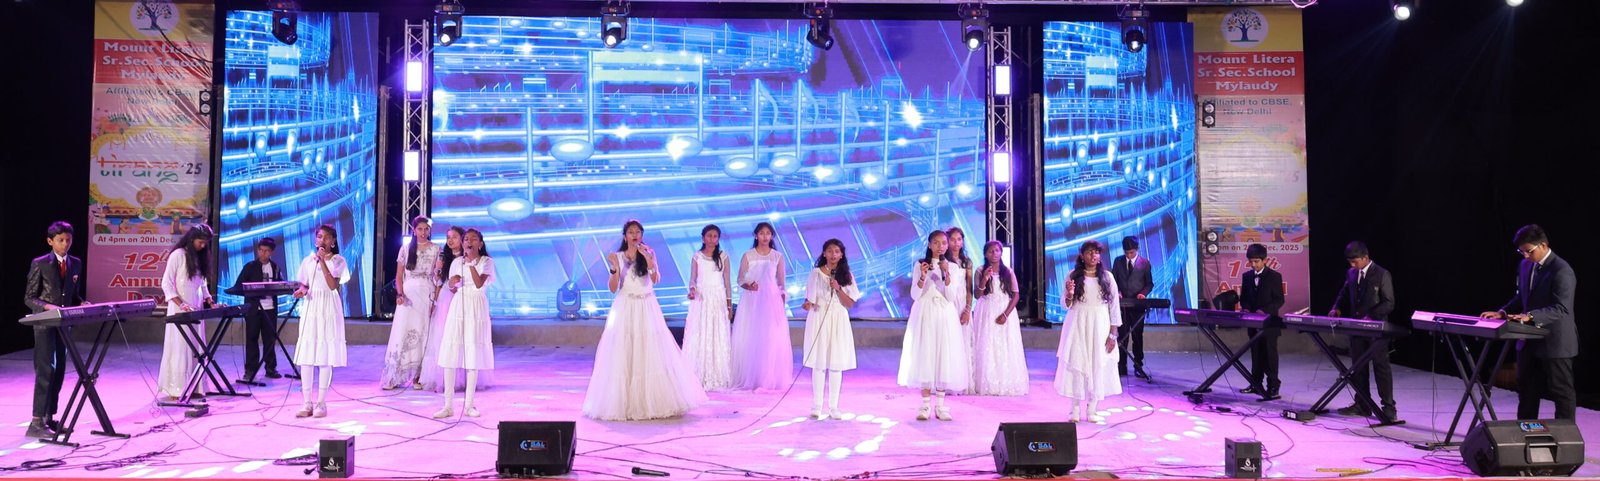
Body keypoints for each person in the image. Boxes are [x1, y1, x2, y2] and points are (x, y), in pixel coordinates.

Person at [582, 220, 706, 420]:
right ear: (625, 236)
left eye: (638, 232)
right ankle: (625, 403)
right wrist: (614, 268)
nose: (635, 235)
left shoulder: (648, 253)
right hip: (626, 306)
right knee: (625, 350)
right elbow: (613, 288)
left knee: (650, 349)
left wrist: (649, 260)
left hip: (647, 306)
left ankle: (653, 401)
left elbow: (656, 279)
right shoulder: (618, 256)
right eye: (631, 232)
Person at [1480, 224, 1577, 420]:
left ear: (1543, 245)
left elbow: (1561, 308)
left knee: (1561, 391)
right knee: (1526, 390)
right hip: (1528, 340)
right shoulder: (1525, 265)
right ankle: (1526, 431)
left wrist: (1530, 316)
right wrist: (1502, 313)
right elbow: (1522, 297)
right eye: (1521, 252)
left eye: (1529, 251)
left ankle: (1566, 435)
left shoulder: (1561, 270)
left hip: (1555, 341)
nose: (1525, 256)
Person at [22, 221, 85, 439]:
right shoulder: (40, 263)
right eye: (60, 240)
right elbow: (29, 297)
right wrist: (48, 306)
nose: (65, 244)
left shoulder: (75, 263)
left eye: (68, 240)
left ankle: (49, 417)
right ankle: (36, 421)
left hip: (63, 325)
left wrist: (81, 302)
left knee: (59, 371)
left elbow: (73, 294)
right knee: (45, 371)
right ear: (50, 241)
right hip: (45, 324)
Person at [898, 230, 970, 421]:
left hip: (944, 314)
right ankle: (924, 405)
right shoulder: (920, 265)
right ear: (929, 244)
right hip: (925, 312)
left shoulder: (953, 267)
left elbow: (951, 296)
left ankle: (940, 405)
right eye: (936, 243)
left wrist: (946, 273)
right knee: (926, 354)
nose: (941, 246)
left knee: (943, 355)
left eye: (944, 243)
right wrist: (923, 276)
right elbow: (915, 295)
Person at [1329, 241, 1400, 422]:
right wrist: (1336, 307)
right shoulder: (1351, 273)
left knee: (1381, 367)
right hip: (1356, 329)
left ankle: (1389, 407)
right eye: (1350, 262)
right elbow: (1344, 292)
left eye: (1355, 261)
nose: (1352, 265)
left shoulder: (1382, 274)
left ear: (1365, 257)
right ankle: (1362, 404)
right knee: (1358, 367)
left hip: (1376, 331)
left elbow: (1389, 303)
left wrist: (1371, 315)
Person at [1055, 241, 1122, 422]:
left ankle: (1092, 409)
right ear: (1082, 256)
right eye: (1090, 252)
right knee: (1076, 363)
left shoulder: (1107, 277)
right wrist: (1069, 294)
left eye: (1097, 252)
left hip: (1100, 325)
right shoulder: (1073, 275)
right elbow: (1066, 305)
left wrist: (1113, 334)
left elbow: (1114, 306)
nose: (1094, 255)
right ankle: (1074, 409)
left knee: (1097, 363)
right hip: (1077, 323)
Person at [434, 229, 495, 418]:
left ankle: (469, 405)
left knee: (472, 352)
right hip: (459, 305)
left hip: (476, 305)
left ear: (480, 244)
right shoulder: (456, 262)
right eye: (466, 239)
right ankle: (448, 405)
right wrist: (452, 283)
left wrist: (470, 263)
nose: (469, 242)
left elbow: (478, 283)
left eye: (473, 239)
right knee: (451, 352)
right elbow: (453, 288)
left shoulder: (486, 262)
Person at [292, 224, 349, 418]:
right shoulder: (308, 261)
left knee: (325, 355)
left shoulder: (339, 260)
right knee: (307, 356)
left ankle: (321, 403)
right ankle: (307, 402)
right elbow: (305, 284)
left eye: (326, 237)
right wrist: (302, 291)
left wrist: (323, 261)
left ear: (333, 241)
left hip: (329, 308)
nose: (322, 240)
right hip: (312, 307)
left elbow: (333, 285)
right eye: (319, 236)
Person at [801, 239, 859, 420]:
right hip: (819, 318)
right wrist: (808, 304)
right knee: (819, 363)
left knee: (835, 364)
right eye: (830, 251)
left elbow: (850, 303)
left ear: (841, 255)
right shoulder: (815, 273)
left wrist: (838, 288)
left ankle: (834, 406)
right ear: (824, 253)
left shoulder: (846, 275)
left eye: (837, 251)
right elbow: (809, 300)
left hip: (838, 319)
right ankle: (817, 405)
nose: (833, 254)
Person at [731, 222, 792, 390]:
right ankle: (752, 377)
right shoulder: (748, 255)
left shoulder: (777, 256)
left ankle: (768, 377)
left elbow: (781, 282)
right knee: (751, 336)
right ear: (756, 235)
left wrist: (781, 304)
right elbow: (740, 279)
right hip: (752, 300)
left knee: (770, 338)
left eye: (768, 233)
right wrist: (749, 286)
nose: (765, 236)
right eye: (762, 233)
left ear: (772, 236)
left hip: (771, 301)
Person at [158, 224, 216, 401]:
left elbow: (202, 283)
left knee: (196, 346)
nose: (203, 246)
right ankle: (177, 388)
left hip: (196, 307)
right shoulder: (178, 255)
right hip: (180, 308)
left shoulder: (199, 257)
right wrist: (181, 304)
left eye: (205, 243)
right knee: (181, 346)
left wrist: (209, 300)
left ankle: (196, 386)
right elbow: (166, 283)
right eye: (200, 242)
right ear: (191, 240)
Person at [382, 216, 439, 390]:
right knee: (403, 331)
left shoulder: (436, 249)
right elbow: (399, 275)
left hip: (427, 292)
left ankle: (419, 376)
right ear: (414, 230)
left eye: (426, 229)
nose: (423, 232)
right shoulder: (406, 249)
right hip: (409, 295)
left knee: (424, 332)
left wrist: (436, 299)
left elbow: (437, 276)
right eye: (420, 229)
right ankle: (394, 376)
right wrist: (400, 294)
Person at [970, 240, 1028, 396]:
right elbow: (977, 295)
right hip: (986, 310)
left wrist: (1005, 314)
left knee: (1005, 344)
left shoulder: (1008, 271)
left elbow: (1016, 295)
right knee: (987, 344)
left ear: (1001, 252)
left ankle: (1005, 381)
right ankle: (987, 381)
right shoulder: (980, 270)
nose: (994, 254)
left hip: (1004, 309)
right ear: (985, 254)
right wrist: (984, 279)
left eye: (997, 250)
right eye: (991, 251)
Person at [683, 224, 734, 391]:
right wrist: (692, 290)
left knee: (717, 334)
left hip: (718, 299)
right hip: (702, 299)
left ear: (718, 239)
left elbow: (727, 282)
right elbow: (693, 278)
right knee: (700, 334)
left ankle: (717, 375)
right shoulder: (697, 257)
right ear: (703, 238)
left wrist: (729, 305)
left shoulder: (723, 257)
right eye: (709, 236)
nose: (712, 239)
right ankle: (698, 375)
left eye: (715, 236)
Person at [230, 237, 284, 384]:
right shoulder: (250, 267)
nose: (263, 253)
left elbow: (280, 285)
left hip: (270, 309)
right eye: (261, 250)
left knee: (269, 339)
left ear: (271, 252)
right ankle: (250, 370)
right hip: (253, 309)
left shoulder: (275, 267)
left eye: (266, 251)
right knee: (252, 339)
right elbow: (239, 286)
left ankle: (270, 368)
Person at [1240, 243, 1284, 400]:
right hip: (1253, 323)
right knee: (1256, 353)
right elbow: (1244, 298)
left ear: (1265, 260)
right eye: (1251, 261)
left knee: (1270, 355)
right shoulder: (1247, 276)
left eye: (1256, 261)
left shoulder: (1274, 276)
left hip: (1269, 324)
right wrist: (1246, 308)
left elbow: (1279, 300)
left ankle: (1273, 387)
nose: (1253, 265)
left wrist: (1264, 311)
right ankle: (1255, 383)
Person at [1111, 236, 1154, 379]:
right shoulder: (1118, 261)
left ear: (1137, 249)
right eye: (1127, 253)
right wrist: (1117, 291)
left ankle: (1138, 365)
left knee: (1137, 336)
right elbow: (1113, 281)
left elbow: (1149, 284)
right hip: (1122, 306)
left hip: (1137, 305)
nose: (1129, 255)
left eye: (1132, 252)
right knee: (1122, 336)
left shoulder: (1145, 263)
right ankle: (1121, 366)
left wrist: (1143, 293)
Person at [944, 227, 977, 393]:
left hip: (963, 302)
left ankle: (963, 382)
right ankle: (947, 381)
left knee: (963, 341)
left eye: (959, 239)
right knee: (948, 341)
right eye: (952, 239)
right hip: (948, 301)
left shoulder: (966, 262)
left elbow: (969, 288)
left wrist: (968, 309)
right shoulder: (943, 261)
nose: (956, 243)